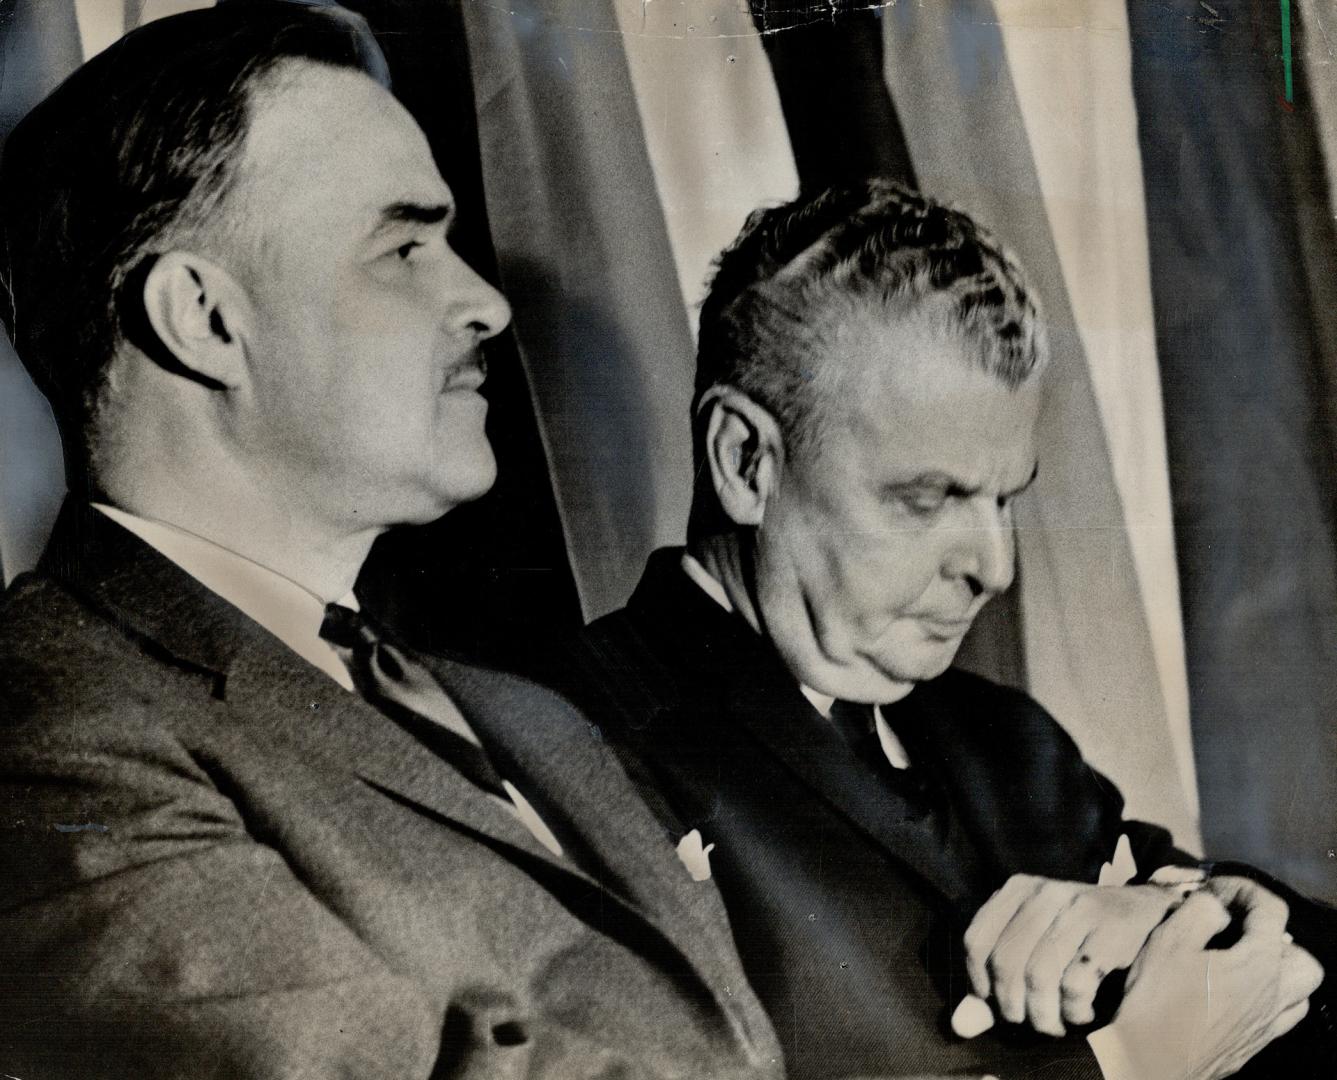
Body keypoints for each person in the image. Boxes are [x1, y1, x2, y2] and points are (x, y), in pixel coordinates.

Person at [0, 6, 785, 1078]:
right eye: (404, 246)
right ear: (203, 318)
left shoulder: (526, 718)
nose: (485, 303)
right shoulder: (44, 732)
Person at [545, 180, 1332, 1080]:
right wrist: (1124, 1067)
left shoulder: (1007, 745)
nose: (993, 568)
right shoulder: (563, 740)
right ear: (745, 459)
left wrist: (1176, 911)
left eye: (1003, 499)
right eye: (928, 498)